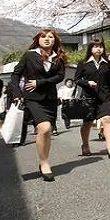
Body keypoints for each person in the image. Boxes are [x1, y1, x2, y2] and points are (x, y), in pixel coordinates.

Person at [8, 28, 67, 182]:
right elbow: (16, 74)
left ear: (55, 40)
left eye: (50, 37)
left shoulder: (58, 57)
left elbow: (60, 76)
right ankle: (44, 163)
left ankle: (44, 160)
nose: (47, 39)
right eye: (43, 36)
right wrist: (17, 93)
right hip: (32, 98)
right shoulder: (29, 55)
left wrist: (40, 82)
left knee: (47, 132)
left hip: (50, 99)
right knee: (44, 128)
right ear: (38, 39)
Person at [75, 40, 110, 160]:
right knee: (87, 123)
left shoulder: (107, 64)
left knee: (107, 119)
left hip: (104, 97)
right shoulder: (83, 63)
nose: (99, 49)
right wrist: (87, 83)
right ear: (90, 48)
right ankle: (85, 144)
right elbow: (77, 79)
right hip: (88, 97)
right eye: (96, 46)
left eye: (101, 47)